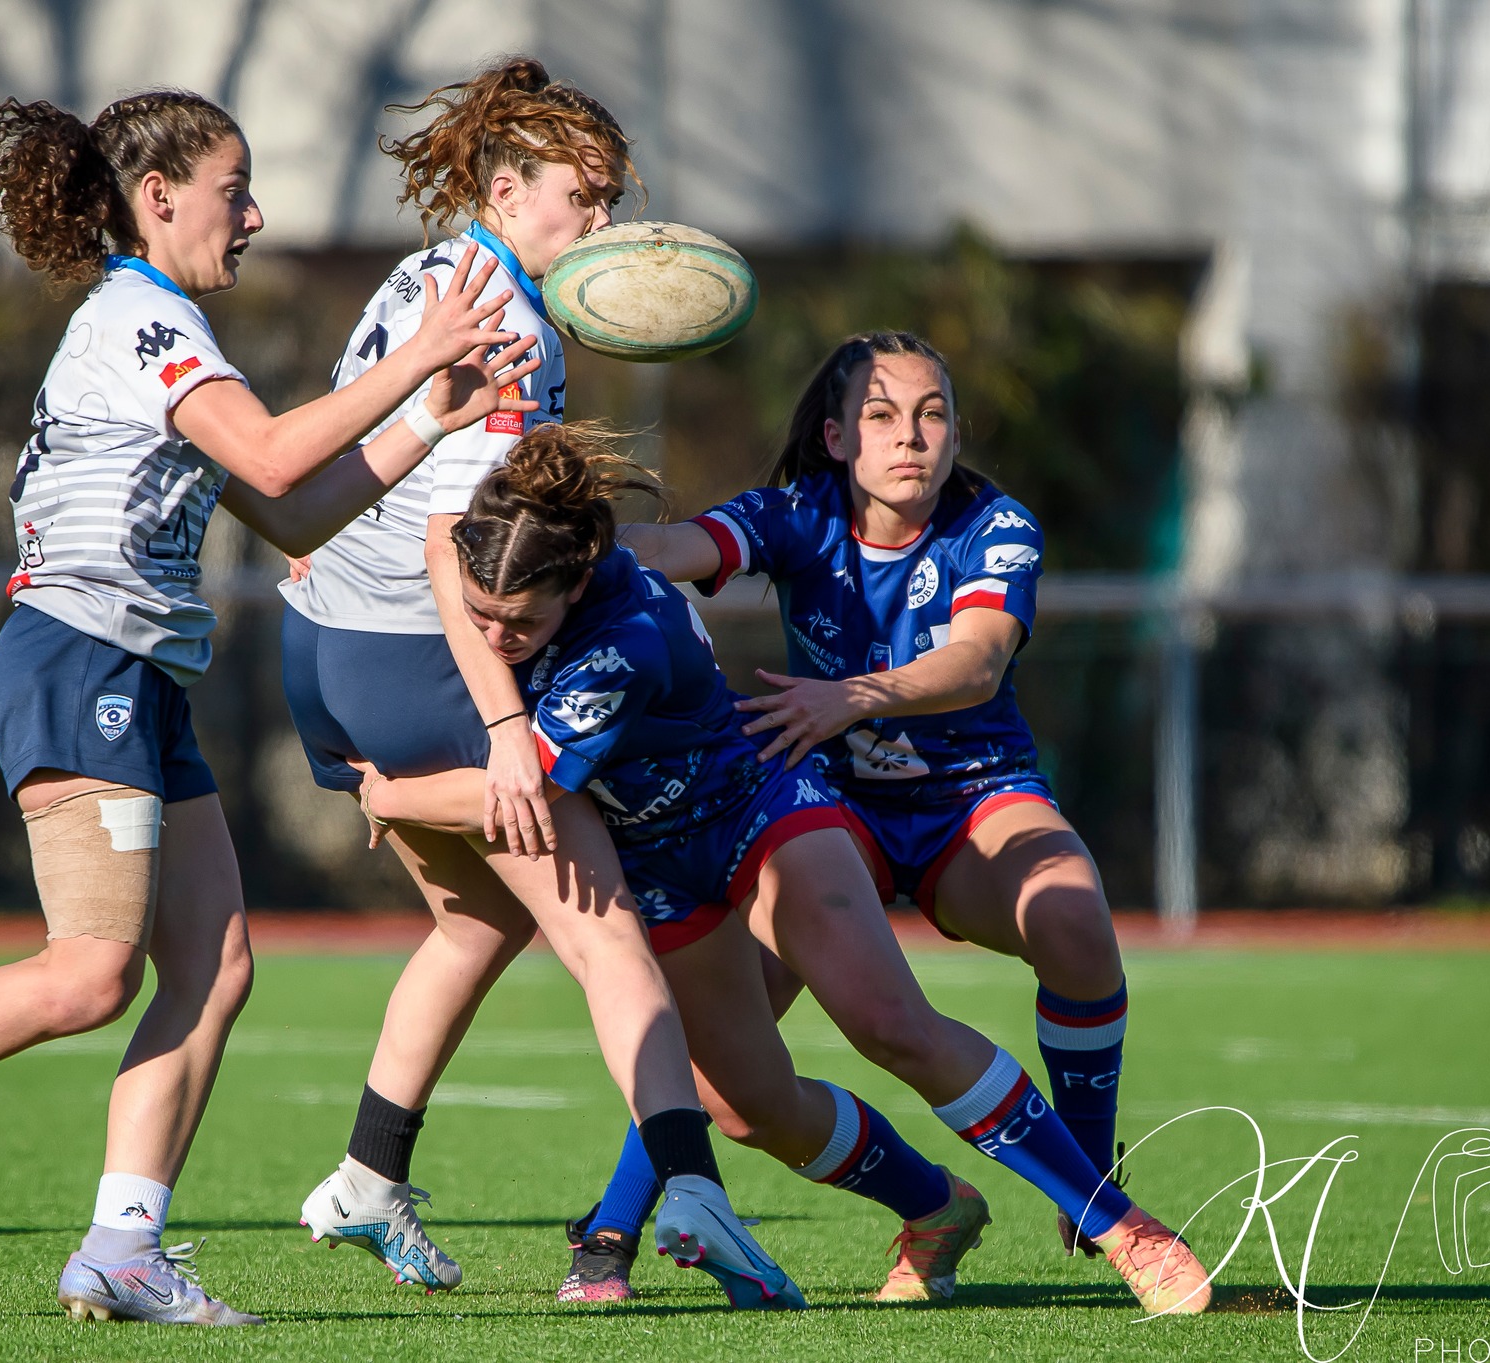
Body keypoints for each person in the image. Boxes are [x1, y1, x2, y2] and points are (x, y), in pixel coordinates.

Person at [0, 88, 540, 1327]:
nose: (257, 216)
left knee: (215, 965)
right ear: (158, 196)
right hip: (79, 660)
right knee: (89, 975)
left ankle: (124, 1247)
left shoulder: (165, 326)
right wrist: (421, 354)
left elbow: (285, 512)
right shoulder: (138, 319)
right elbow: (278, 459)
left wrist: (422, 422)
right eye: (235, 191)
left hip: (139, 676)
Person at [357, 420, 1212, 1317]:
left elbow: (518, 787)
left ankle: (1123, 1226)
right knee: (744, 1107)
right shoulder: (513, 574)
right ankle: (935, 1204)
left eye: (519, 621)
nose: (492, 636)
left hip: (755, 811)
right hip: (653, 866)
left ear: (575, 582)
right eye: (479, 612)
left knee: (890, 1022)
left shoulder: (625, 636)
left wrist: (388, 795)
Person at [279, 57, 802, 1310]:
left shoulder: (435, 271)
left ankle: (368, 1171)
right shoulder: (504, 321)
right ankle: (689, 1184)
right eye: (589, 197)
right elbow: (450, 558)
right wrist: (508, 726)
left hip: (315, 642)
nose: (607, 227)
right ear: (508, 190)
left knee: (480, 917)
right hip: (419, 653)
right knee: (607, 932)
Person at [572, 329, 1191, 1306]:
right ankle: (618, 1229)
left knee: (1072, 917)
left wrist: (855, 693)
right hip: (825, 812)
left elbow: (977, 659)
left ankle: (1089, 1185)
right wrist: (561, 533)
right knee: (727, 1065)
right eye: (880, 415)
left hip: (970, 796)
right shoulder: (794, 515)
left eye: (932, 413)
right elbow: (666, 546)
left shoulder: (994, 524)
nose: (911, 437)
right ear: (832, 437)